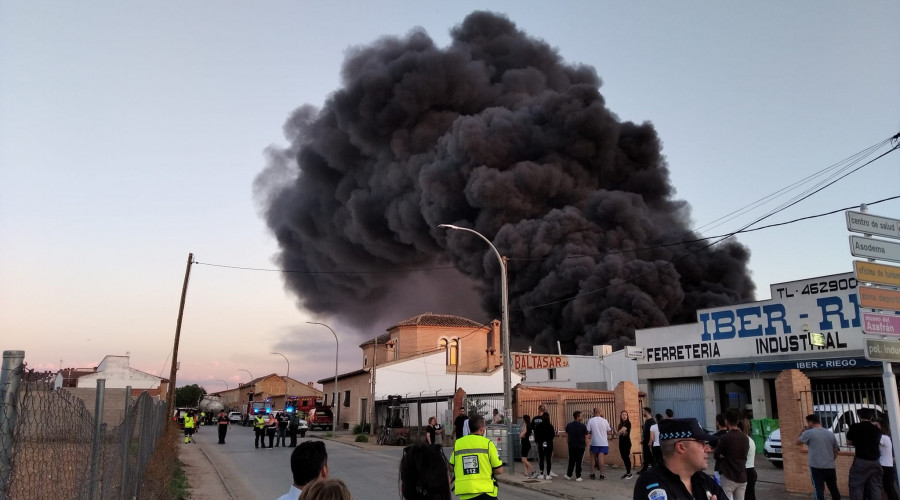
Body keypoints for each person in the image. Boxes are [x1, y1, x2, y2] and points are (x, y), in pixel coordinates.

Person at [633, 418, 727, 500]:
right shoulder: (651, 484)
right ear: (681, 447)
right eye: (702, 443)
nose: (708, 449)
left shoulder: (703, 480)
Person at [450, 415, 503, 499]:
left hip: (465, 493)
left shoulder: (458, 443)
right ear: (482, 428)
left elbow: (451, 467)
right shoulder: (488, 443)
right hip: (486, 492)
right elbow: (499, 470)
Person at [797, 413, 841, 500]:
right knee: (833, 489)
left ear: (810, 422)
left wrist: (801, 430)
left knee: (819, 489)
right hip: (830, 466)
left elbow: (797, 442)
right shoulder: (830, 433)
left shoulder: (808, 433)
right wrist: (832, 460)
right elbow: (836, 450)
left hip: (816, 467)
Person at [847, 408, 883, 500]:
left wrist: (857, 442)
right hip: (875, 461)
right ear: (871, 417)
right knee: (875, 486)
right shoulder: (877, 430)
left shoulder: (854, 427)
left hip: (861, 461)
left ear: (859, 416)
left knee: (856, 486)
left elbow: (849, 441)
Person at [714, 409, 749, 500]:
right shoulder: (745, 438)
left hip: (728, 476)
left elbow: (716, 455)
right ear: (737, 421)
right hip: (742, 476)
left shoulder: (725, 438)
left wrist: (723, 456)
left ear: (726, 422)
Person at [874, 418, 899, 500]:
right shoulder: (886, 437)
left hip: (885, 465)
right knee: (887, 488)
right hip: (886, 465)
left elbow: (873, 445)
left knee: (888, 488)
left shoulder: (883, 437)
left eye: (877, 425)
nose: (874, 427)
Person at [585, 407, 612, 480]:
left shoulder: (591, 420)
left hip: (594, 442)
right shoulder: (605, 421)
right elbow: (609, 432)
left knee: (592, 458)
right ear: (600, 413)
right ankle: (602, 475)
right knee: (601, 459)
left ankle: (592, 473)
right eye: (602, 412)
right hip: (603, 442)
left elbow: (587, 431)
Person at [564, 410, 588, 481]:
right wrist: (586, 445)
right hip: (581, 446)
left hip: (572, 446)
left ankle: (569, 475)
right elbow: (586, 437)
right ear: (577, 417)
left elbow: (567, 436)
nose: (582, 417)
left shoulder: (569, 425)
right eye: (581, 416)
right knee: (579, 461)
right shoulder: (583, 426)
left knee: (571, 460)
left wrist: (568, 443)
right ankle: (578, 476)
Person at [534, 411, 556, 480]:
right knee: (548, 459)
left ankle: (541, 473)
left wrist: (538, 442)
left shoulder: (538, 426)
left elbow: (536, 436)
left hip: (541, 444)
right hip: (549, 444)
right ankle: (548, 474)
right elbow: (553, 436)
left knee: (541, 459)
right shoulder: (551, 426)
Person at [741, 419, 756, 500]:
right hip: (750, 470)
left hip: (746, 471)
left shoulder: (744, 441)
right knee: (750, 496)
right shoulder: (750, 440)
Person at [638, 407, 656, 473]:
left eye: (643, 411)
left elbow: (653, 432)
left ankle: (654, 470)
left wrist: (650, 441)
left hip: (649, 442)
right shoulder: (647, 421)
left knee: (651, 456)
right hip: (646, 442)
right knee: (646, 456)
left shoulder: (652, 422)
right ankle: (645, 469)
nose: (643, 413)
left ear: (646, 412)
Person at [617, 410, 634, 480]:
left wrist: (619, 431)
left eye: (625, 415)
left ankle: (629, 473)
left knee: (627, 457)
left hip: (627, 443)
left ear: (627, 416)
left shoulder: (628, 423)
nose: (624, 416)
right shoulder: (620, 424)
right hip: (621, 442)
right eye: (623, 414)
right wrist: (620, 432)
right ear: (621, 416)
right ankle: (627, 472)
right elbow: (620, 432)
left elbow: (622, 432)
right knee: (623, 457)